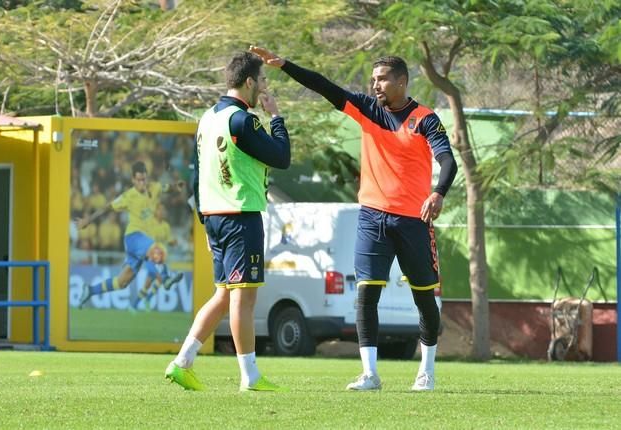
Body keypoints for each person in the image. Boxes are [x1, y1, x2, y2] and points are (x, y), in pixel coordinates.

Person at [250, 46, 458, 392]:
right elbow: (325, 86)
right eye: (373, 79)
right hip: (372, 217)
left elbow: (447, 160)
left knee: (425, 298)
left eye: (382, 79)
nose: (375, 85)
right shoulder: (367, 110)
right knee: (365, 295)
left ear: (402, 82)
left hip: (412, 221)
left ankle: (427, 370)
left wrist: (438, 193)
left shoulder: (425, 119)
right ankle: (370, 374)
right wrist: (285, 64)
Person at [164, 51, 290, 392]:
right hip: (241, 216)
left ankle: (182, 362)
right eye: (262, 80)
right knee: (243, 298)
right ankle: (249, 376)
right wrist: (276, 118)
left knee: (223, 294)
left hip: (215, 217)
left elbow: (196, 174)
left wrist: (204, 218)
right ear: (249, 82)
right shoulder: (242, 120)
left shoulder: (207, 118)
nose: (264, 87)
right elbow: (281, 157)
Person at [75, 161, 184, 308]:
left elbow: (167, 188)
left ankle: (90, 290)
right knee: (156, 248)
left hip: (143, 244)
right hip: (133, 237)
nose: (142, 183)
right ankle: (166, 278)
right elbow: (108, 207)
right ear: (133, 180)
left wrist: (177, 187)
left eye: (144, 179)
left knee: (122, 282)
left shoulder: (154, 187)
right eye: (138, 180)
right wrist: (88, 219)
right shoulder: (128, 196)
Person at [131, 204, 183, 311]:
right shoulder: (150, 223)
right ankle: (166, 280)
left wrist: (173, 242)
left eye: (164, 210)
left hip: (161, 256)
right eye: (161, 210)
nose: (163, 212)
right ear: (156, 211)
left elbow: (168, 240)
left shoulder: (166, 226)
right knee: (159, 277)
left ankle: (135, 305)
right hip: (150, 255)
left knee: (148, 283)